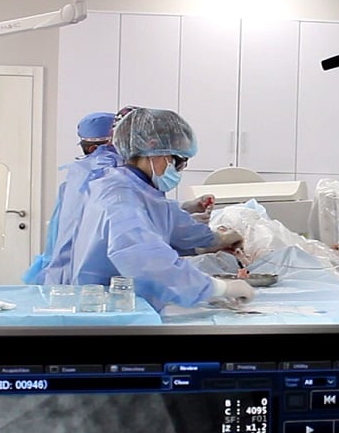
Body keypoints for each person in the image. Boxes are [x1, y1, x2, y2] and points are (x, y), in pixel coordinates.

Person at [53, 107, 254, 310]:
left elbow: (167, 225)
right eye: (178, 161)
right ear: (154, 149)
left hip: (122, 306)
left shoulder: (138, 187)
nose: (179, 169)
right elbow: (146, 259)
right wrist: (218, 287)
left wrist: (215, 240)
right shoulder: (117, 195)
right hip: (105, 309)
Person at [22, 111, 122, 284]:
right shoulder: (112, 175)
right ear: (93, 148)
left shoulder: (74, 177)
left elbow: (55, 237)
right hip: (97, 279)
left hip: (65, 275)